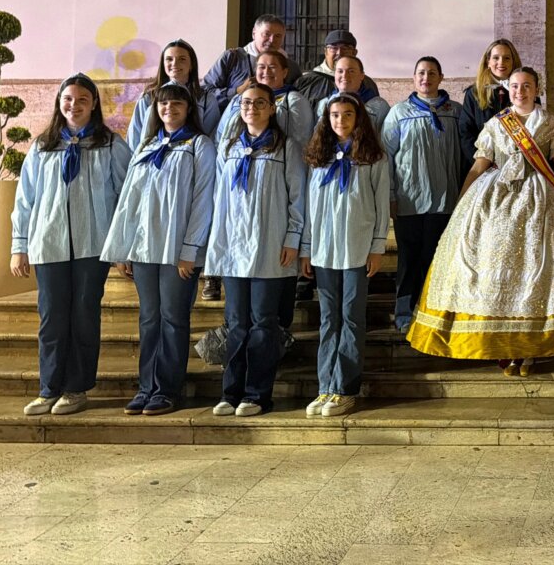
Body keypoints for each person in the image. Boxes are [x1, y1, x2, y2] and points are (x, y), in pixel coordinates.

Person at [408, 67, 554, 375]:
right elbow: (479, 165)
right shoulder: (496, 124)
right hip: (495, 199)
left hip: (540, 200)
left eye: (526, 86)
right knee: (493, 269)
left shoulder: (549, 124)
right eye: (514, 86)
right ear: (508, 89)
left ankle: (530, 347)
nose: (520, 92)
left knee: (536, 272)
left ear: (537, 89)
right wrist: (461, 204)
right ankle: (504, 344)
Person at [10, 74, 131, 416]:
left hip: (93, 246)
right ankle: (49, 388)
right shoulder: (43, 145)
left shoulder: (110, 144)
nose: (73, 105)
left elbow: (125, 197)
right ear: (59, 103)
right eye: (67, 99)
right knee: (51, 317)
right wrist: (20, 245)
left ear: (93, 103)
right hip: (49, 245)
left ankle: (76, 388)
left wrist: (121, 247)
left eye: (81, 99)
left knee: (83, 315)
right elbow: (26, 200)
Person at [101, 81, 216, 416]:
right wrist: (123, 248)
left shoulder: (199, 145)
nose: (169, 110)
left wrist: (190, 250)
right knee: (149, 319)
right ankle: (146, 386)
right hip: (144, 248)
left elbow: (202, 200)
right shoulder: (148, 145)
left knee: (173, 318)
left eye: (177, 104)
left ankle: (167, 389)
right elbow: (129, 201)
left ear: (188, 109)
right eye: (163, 105)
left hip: (176, 250)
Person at [205, 82, 306, 417]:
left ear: (271, 107)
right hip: (234, 248)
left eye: (259, 103)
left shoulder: (285, 147)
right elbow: (219, 199)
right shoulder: (230, 146)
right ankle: (230, 392)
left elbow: (297, 198)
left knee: (263, 322)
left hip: (269, 247)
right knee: (236, 322)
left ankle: (257, 394)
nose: (252, 108)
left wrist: (293, 238)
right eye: (246, 103)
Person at [300, 93, 390, 418]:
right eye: (335, 115)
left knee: (351, 317)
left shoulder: (373, 158)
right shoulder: (319, 158)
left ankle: (345, 388)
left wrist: (377, 247)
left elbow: (381, 206)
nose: (340, 121)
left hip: (357, 249)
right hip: (324, 252)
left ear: (358, 118)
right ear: (327, 120)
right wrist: (307, 249)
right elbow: (310, 209)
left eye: (347, 115)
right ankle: (326, 386)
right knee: (329, 320)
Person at [381, 56, 464, 331]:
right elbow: (386, 157)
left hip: (446, 200)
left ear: (441, 77)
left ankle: (432, 313)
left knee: (437, 260)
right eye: (420, 73)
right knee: (408, 260)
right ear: (414, 78)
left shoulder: (456, 111)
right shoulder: (399, 113)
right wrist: (391, 195)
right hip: (409, 201)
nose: (425, 78)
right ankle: (405, 314)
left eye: (431, 73)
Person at [126, 39, 220, 150]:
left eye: (182, 59)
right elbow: (135, 138)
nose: (174, 64)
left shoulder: (206, 99)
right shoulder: (148, 97)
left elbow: (210, 137)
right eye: (169, 59)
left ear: (192, 65)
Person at [217, 49, 315, 149]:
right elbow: (221, 133)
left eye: (272, 67)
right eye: (261, 67)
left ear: (284, 72)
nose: (266, 71)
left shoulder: (295, 100)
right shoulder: (239, 98)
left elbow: (302, 139)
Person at [202, 13, 299, 112]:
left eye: (278, 36)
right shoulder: (232, 58)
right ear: (254, 33)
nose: (272, 40)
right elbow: (203, 92)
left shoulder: (291, 66)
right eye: (266, 34)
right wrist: (237, 91)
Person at [459, 38, 520, 169]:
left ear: (514, 62)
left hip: (516, 165)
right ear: (488, 61)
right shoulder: (474, 93)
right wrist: (483, 164)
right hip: (482, 165)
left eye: (507, 58)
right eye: (496, 58)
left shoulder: (525, 91)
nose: (501, 62)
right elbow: (466, 133)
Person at [296, 29, 381, 109]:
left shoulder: (367, 83)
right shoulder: (307, 82)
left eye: (345, 48)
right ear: (325, 52)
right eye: (333, 48)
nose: (339, 53)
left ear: (354, 53)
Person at [316, 56, 391, 135]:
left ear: (362, 76)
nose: (345, 75)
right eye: (340, 71)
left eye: (351, 71)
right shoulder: (323, 104)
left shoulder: (379, 106)